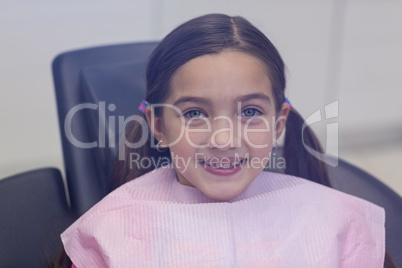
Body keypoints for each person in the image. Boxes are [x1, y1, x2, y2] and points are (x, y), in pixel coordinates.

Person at [53, 14, 396, 267]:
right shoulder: (109, 232)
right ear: (158, 126)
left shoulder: (336, 221)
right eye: (194, 114)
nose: (224, 139)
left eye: (249, 112)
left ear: (279, 123)